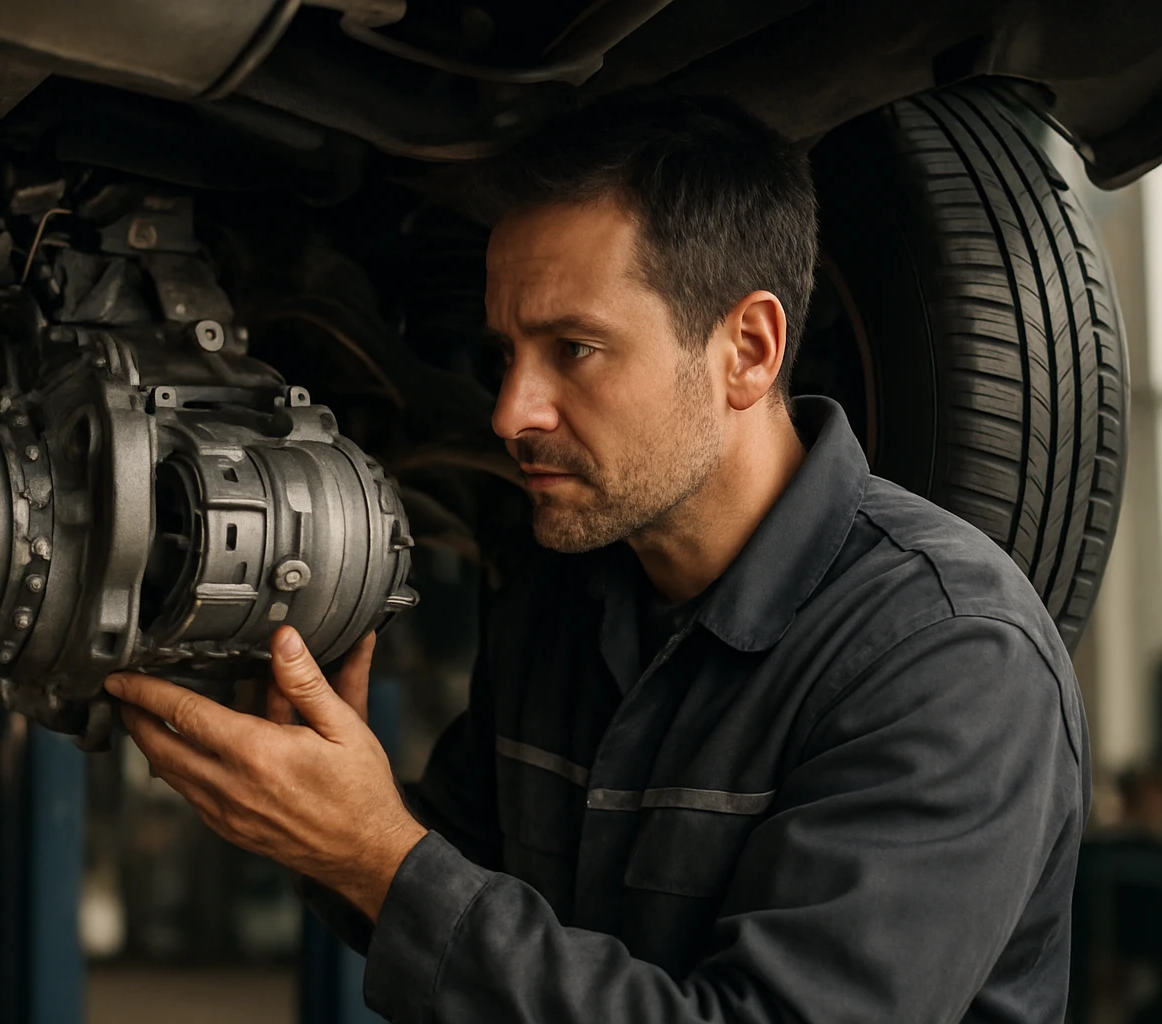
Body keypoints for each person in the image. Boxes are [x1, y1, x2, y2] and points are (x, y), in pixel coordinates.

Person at [104, 92, 1089, 1023]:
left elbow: (424, 884)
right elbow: (463, 894)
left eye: (573, 348)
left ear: (747, 348)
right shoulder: (564, 591)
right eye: (504, 355)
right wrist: (320, 814)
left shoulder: (950, 657)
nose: (508, 412)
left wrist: (377, 854)